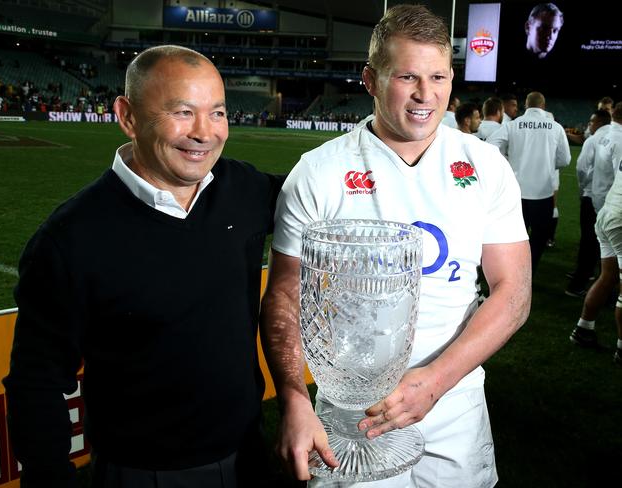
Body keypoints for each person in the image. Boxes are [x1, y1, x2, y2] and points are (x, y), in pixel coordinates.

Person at [261, 4, 532, 487]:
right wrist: (294, 399)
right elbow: (284, 295)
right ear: (369, 79)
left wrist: (435, 381)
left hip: (454, 403)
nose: (425, 95)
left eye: (439, 77)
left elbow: (513, 292)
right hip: (351, 414)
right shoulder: (320, 171)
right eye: (407, 76)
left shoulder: (485, 164)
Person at [2, 45, 283, 488]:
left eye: (218, 113)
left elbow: (323, 192)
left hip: (251, 455)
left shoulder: (243, 187)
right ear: (128, 116)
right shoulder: (70, 239)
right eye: (183, 112)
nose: (204, 133)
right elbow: (35, 384)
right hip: (146, 474)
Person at [488, 91, 571, 275]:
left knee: (514, 236)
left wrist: (508, 161)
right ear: (543, 106)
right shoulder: (555, 127)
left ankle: (511, 271)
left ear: (526, 105)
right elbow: (565, 159)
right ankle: (529, 270)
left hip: (516, 192)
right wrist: (549, 164)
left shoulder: (513, 125)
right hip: (544, 193)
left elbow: (491, 145)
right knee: (539, 237)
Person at [570, 102, 622, 365]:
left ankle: (583, 327)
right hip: (619, 216)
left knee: (608, 275)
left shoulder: (603, 136)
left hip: (605, 211)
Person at [566, 109, 612, 297]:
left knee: (588, 240)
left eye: (591, 122)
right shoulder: (614, 138)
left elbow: (582, 169)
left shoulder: (594, 140)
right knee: (607, 243)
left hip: (591, 195)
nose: (589, 125)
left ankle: (578, 283)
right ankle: (602, 280)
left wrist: (583, 189)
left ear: (598, 122)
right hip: (611, 199)